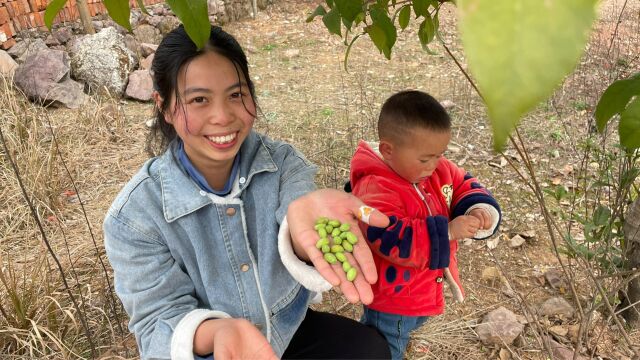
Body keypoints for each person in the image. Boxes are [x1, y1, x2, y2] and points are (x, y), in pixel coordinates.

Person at [103, 25, 392, 360]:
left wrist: (301, 237)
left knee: (368, 350)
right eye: (199, 100)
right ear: (165, 107)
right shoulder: (134, 217)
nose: (223, 116)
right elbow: (156, 325)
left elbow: (297, 217)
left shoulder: (283, 163)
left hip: (286, 329)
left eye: (236, 95)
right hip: (217, 349)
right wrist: (220, 331)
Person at [348, 90, 501, 359]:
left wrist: (477, 207)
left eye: (440, 154)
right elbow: (392, 239)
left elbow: (462, 182)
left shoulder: (434, 169)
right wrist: (448, 231)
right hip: (393, 299)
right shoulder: (375, 188)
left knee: (403, 333)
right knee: (385, 346)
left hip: (420, 291)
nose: (435, 165)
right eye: (425, 159)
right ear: (388, 150)